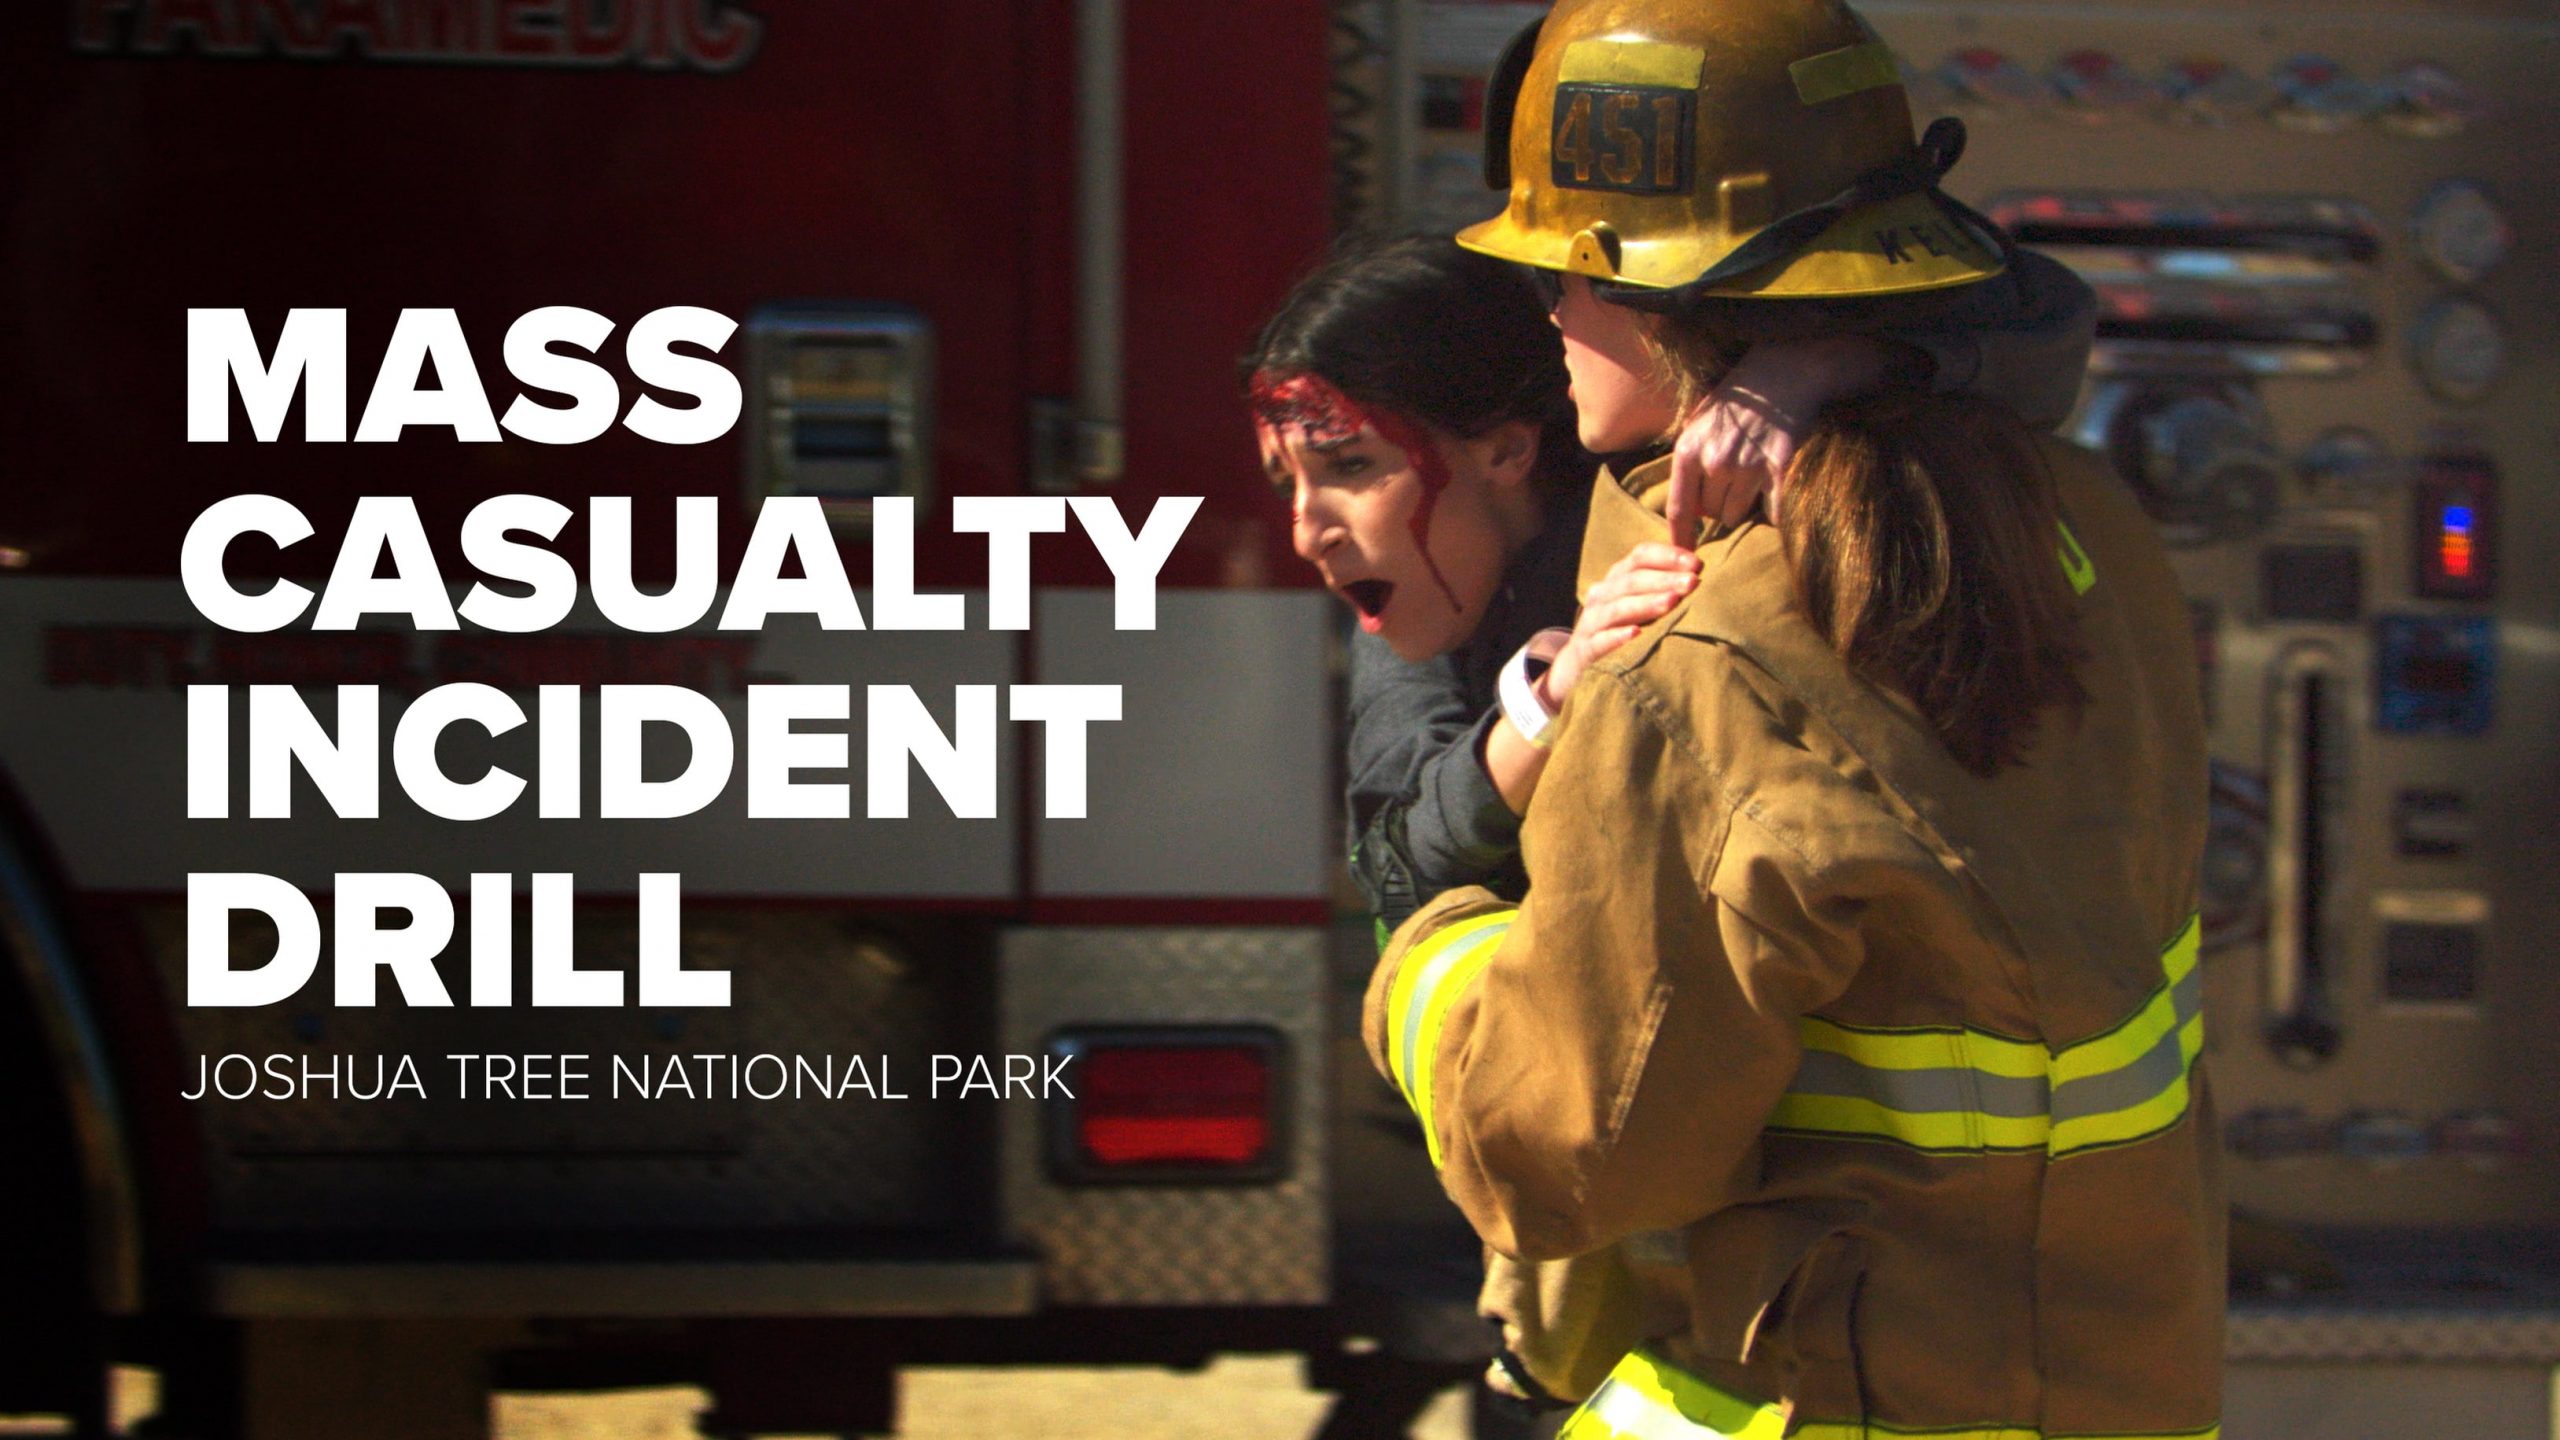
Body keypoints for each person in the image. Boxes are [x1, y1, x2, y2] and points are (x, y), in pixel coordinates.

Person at [1359, 2, 2220, 1437]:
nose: (1550, 313)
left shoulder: (1702, 663)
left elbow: (1565, 1155)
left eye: (1570, 277)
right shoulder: (2084, 530)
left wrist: (1431, 958)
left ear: (1668, 302)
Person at [1250, 243, 2098, 1412]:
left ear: (1503, 450)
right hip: (1608, 1240)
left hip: (1855, 1241)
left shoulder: (1688, 498)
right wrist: (1546, 706)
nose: (1308, 531)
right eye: (1290, 484)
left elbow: (2039, 309)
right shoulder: (1419, 619)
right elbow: (1401, 860)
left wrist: (1810, 369)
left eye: (1345, 470)